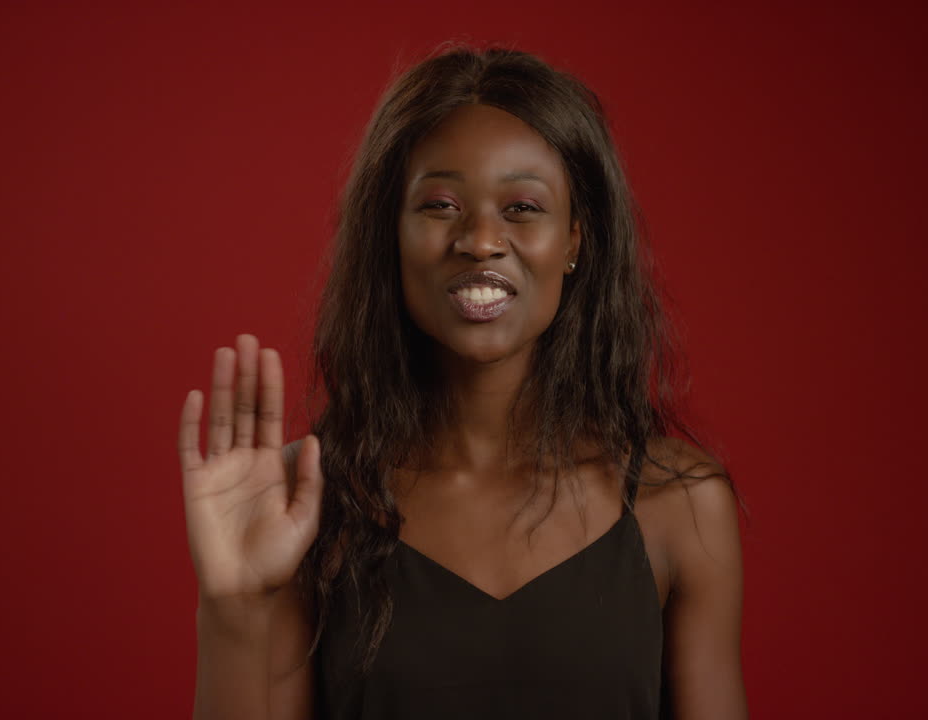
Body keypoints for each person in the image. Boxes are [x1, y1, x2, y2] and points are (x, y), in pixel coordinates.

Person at [178, 43, 749, 720]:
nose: (480, 239)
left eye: (522, 208)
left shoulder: (678, 508)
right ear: (389, 235)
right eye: (441, 205)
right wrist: (235, 605)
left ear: (575, 240)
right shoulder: (307, 509)